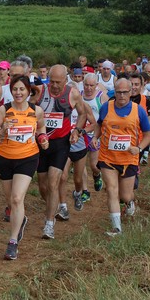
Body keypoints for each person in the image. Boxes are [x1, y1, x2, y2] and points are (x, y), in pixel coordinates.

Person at [0, 75, 48, 260]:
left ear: (28, 91)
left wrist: (43, 139)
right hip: (5, 158)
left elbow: (41, 128)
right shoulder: (3, 111)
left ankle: (12, 242)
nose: (18, 92)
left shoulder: (36, 111)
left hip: (27, 158)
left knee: (17, 197)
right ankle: (21, 219)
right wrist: (2, 131)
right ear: (10, 91)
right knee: (11, 203)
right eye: (15, 89)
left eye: (22, 89)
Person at [90, 78, 150, 236]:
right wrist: (95, 137)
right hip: (107, 157)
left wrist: (139, 148)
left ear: (131, 92)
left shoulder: (138, 110)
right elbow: (99, 124)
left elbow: (148, 133)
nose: (122, 95)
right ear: (114, 93)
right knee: (111, 190)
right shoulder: (106, 107)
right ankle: (116, 228)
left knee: (124, 195)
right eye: (118, 92)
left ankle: (130, 202)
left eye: (125, 92)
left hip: (128, 159)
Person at [36, 65, 87, 239]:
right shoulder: (41, 91)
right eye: (52, 81)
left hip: (61, 144)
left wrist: (76, 131)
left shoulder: (72, 93)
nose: (55, 85)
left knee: (52, 183)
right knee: (42, 186)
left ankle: (49, 223)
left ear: (65, 80)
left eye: (58, 82)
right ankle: (54, 206)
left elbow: (82, 114)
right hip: (41, 143)